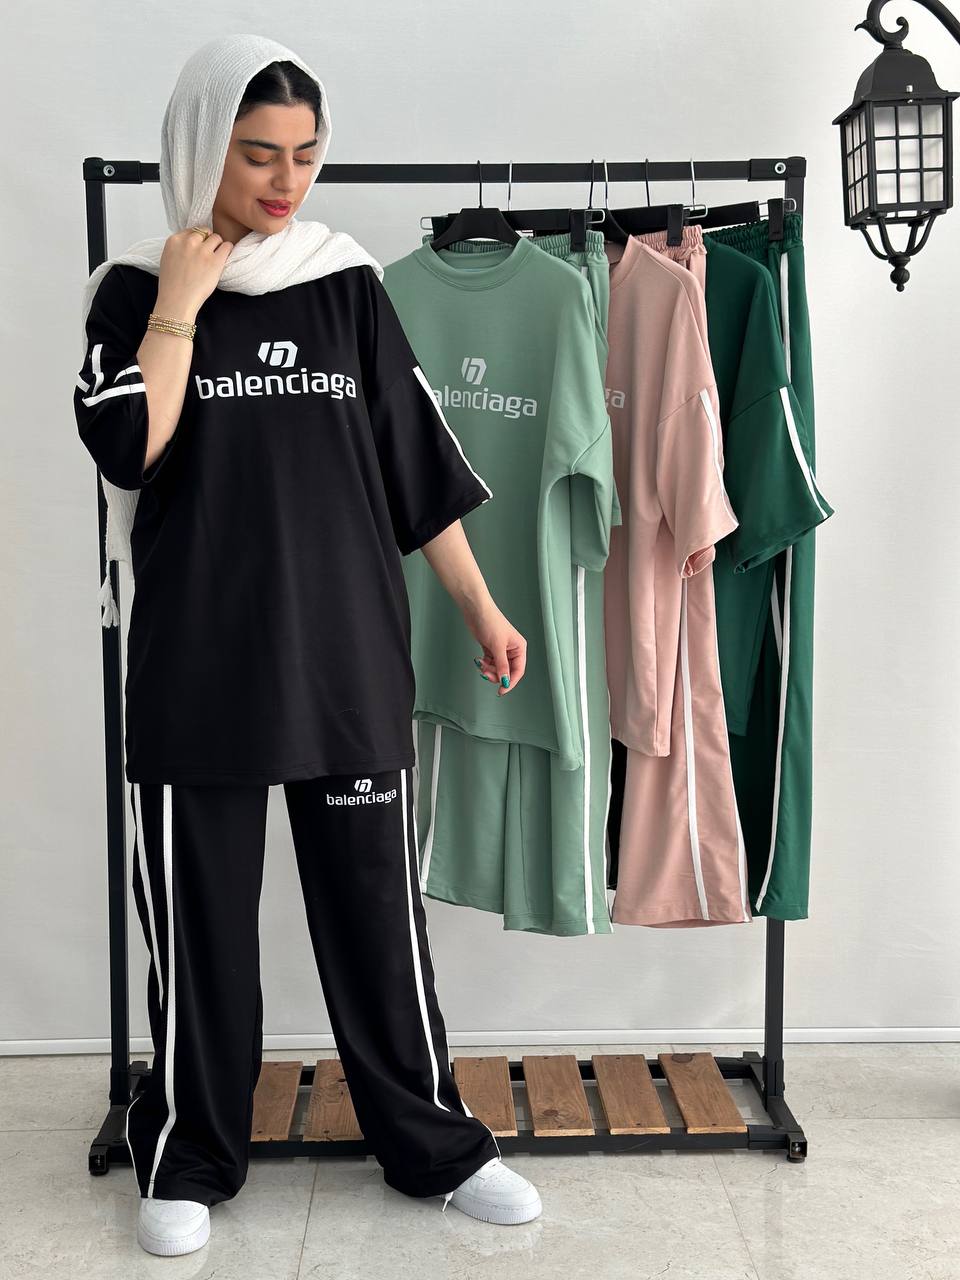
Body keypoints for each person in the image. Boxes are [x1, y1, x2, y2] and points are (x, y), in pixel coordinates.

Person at [74, 34, 542, 1258]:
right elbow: (130, 447)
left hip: (346, 661)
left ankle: (435, 1143)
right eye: (257, 154)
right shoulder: (131, 292)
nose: (287, 181)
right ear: (201, 146)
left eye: (305, 153)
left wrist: (482, 606)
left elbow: (414, 467)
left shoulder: (347, 287)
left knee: (379, 929)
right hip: (198, 671)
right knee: (203, 944)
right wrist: (180, 305)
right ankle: (190, 1153)